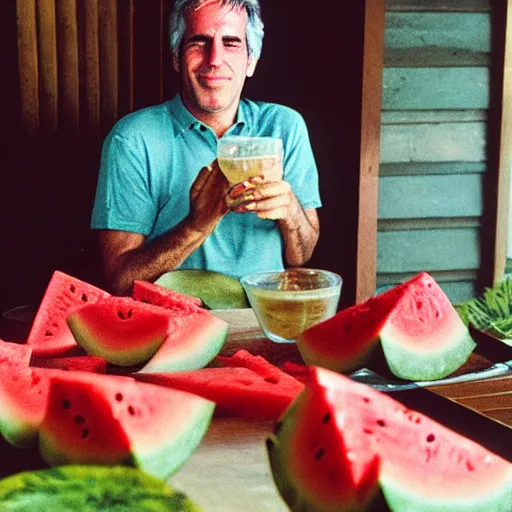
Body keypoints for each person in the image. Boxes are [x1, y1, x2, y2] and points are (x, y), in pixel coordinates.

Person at [91, 0, 321, 295]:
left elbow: (302, 255)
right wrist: (196, 226)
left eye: (231, 43)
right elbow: (119, 279)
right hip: (174, 325)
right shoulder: (133, 138)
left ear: (251, 60)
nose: (215, 59)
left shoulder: (285, 127)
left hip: (264, 321)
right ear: (176, 57)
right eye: (199, 42)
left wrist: (291, 211)